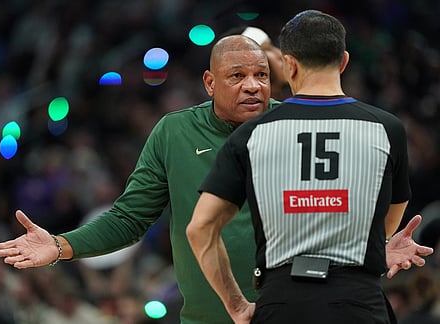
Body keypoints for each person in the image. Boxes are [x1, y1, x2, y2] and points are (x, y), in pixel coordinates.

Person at [0, 34, 431, 324]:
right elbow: (129, 218)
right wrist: (61, 246)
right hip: (208, 318)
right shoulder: (173, 132)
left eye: (262, 75)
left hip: (287, 313)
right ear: (208, 82)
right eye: (237, 76)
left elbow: (330, 206)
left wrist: (373, 246)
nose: (254, 86)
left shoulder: (293, 124)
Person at [186, 10, 434, 324]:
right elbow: (385, 224)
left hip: (282, 302)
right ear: (343, 61)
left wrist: (236, 306)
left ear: (288, 64)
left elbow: (200, 229)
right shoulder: (388, 128)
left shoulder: (250, 133)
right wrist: (375, 247)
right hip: (358, 302)